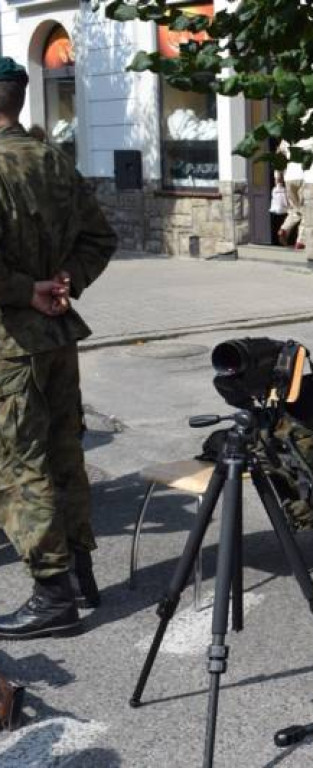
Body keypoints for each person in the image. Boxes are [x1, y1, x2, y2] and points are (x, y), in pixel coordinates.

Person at [0, 57, 116, 639]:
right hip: (56, 337)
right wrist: (66, 278)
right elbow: (102, 236)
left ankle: (53, 595)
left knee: (21, 467)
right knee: (64, 454)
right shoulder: (52, 160)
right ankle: (81, 574)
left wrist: (29, 289)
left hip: (13, 340)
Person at [276, 140, 306, 249]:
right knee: (305, 210)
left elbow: (278, 159)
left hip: (288, 177)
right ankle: (301, 241)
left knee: (295, 209)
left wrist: (278, 179)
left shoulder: (285, 141)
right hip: (303, 177)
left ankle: (284, 229)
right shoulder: (306, 137)